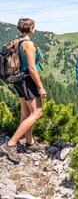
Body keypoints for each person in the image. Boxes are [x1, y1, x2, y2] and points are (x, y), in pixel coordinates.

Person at [0, 18, 46, 164]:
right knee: (37, 113)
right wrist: (40, 86)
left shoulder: (18, 42)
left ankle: (29, 143)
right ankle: (11, 144)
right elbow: (32, 68)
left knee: (25, 113)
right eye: (34, 26)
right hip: (28, 80)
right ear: (31, 28)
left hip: (19, 80)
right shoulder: (28, 44)